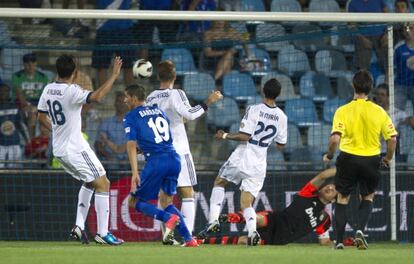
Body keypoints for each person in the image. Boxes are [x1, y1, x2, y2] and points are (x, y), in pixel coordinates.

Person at [37, 55, 124, 245]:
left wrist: (56, 130)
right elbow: (98, 97)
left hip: (60, 149)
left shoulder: (48, 88)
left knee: (90, 181)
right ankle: (102, 233)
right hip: (75, 147)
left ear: (57, 71)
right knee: (104, 183)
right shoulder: (72, 91)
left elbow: (41, 116)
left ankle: (78, 226)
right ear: (75, 72)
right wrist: (114, 75)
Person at [198, 78, 288, 246]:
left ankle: (213, 221)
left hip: (243, 156)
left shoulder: (254, 110)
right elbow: (281, 145)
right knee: (246, 202)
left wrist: (225, 135)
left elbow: (245, 136)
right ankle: (253, 233)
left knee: (220, 182)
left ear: (263, 91)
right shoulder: (282, 117)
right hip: (259, 163)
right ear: (279, 95)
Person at [146, 60, 223, 238]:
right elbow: (190, 113)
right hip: (178, 150)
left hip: (158, 152)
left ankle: (167, 234)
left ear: (158, 76)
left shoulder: (150, 97)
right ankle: (188, 235)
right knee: (187, 192)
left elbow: (159, 122)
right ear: (175, 76)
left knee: (165, 195)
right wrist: (208, 102)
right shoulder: (176, 93)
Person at [323, 70, 397, 250]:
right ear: (370, 88)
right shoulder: (379, 111)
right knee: (367, 196)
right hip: (371, 159)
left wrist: (330, 155)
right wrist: (387, 158)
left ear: (353, 86)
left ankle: (339, 241)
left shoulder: (343, 110)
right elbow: (393, 139)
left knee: (342, 198)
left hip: (348, 158)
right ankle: (360, 231)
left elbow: (334, 139)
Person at [123, 84, 198, 247]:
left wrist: (135, 172)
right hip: (174, 158)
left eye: (126, 97)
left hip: (157, 162)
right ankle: (189, 239)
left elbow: (130, 144)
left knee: (134, 201)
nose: (124, 100)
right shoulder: (160, 112)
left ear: (134, 99)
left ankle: (167, 218)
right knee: (168, 202)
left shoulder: (131, 116)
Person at [200, 168, 337, 246]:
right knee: (257, 218)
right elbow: (323, 175)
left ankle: (203, 240)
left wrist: (341, 243)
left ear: (334, 200)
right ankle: (220, 219)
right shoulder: (308, 194)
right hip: (277, 219)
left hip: (280, 237)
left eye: (333, 190)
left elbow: (324, 240)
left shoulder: (324, 219)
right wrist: (343, 168)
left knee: (243, 241)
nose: (329, 187)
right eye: (329, 185)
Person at [92, 0, 135, 87]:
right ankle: (102, 97)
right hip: (104, 29)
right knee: (102, 66)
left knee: (128, 65)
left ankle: (131, 98)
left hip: (124, 28)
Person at [11, 53, 49, 137]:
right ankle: (31, 142)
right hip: (22, 103)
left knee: (45, 120)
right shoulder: (17, 76)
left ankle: (44, 142)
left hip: (38, 103)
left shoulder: (43, 77)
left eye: (32, 62)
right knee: (32, 116)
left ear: (36, 64)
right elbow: (19, 95)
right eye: (27, 63)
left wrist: (39, 108)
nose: (30, 65)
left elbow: (45, 96)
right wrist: (28, 106)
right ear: (23, 64)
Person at [347, 0, 388, 71]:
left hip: (381, 36)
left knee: (388, 66)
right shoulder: (352, 3)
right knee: (363, 68)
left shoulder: (380, 1)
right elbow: (352, 25)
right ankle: (364, 80)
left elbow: (389, 17)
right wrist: (362, 38)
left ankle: (388, 80)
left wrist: (386, 34)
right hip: (363, 37)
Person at [95, 92, 129, 169]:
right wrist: (108, 156)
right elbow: (98, 144)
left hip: (130, 159)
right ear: (115, 104)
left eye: (124, 102)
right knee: (113, 165)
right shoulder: (106, 123)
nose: (121, 104)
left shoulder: (135, 123)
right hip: (111, 160)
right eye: (118, 101)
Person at [0, 83, 28, 168]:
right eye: (1, 91)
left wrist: (27, 140)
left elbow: (21, 125)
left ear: (9, 92)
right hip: (0, 144)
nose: (3, 93)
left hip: (14, 143)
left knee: (16, 170)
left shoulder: (15, 107)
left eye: (5, 91)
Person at [394, 22, 414, 111]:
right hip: (401, 86)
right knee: (396, 111)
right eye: (406, 29)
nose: (408, 31)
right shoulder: (398, 47)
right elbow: (391, 68)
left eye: (411, 28)